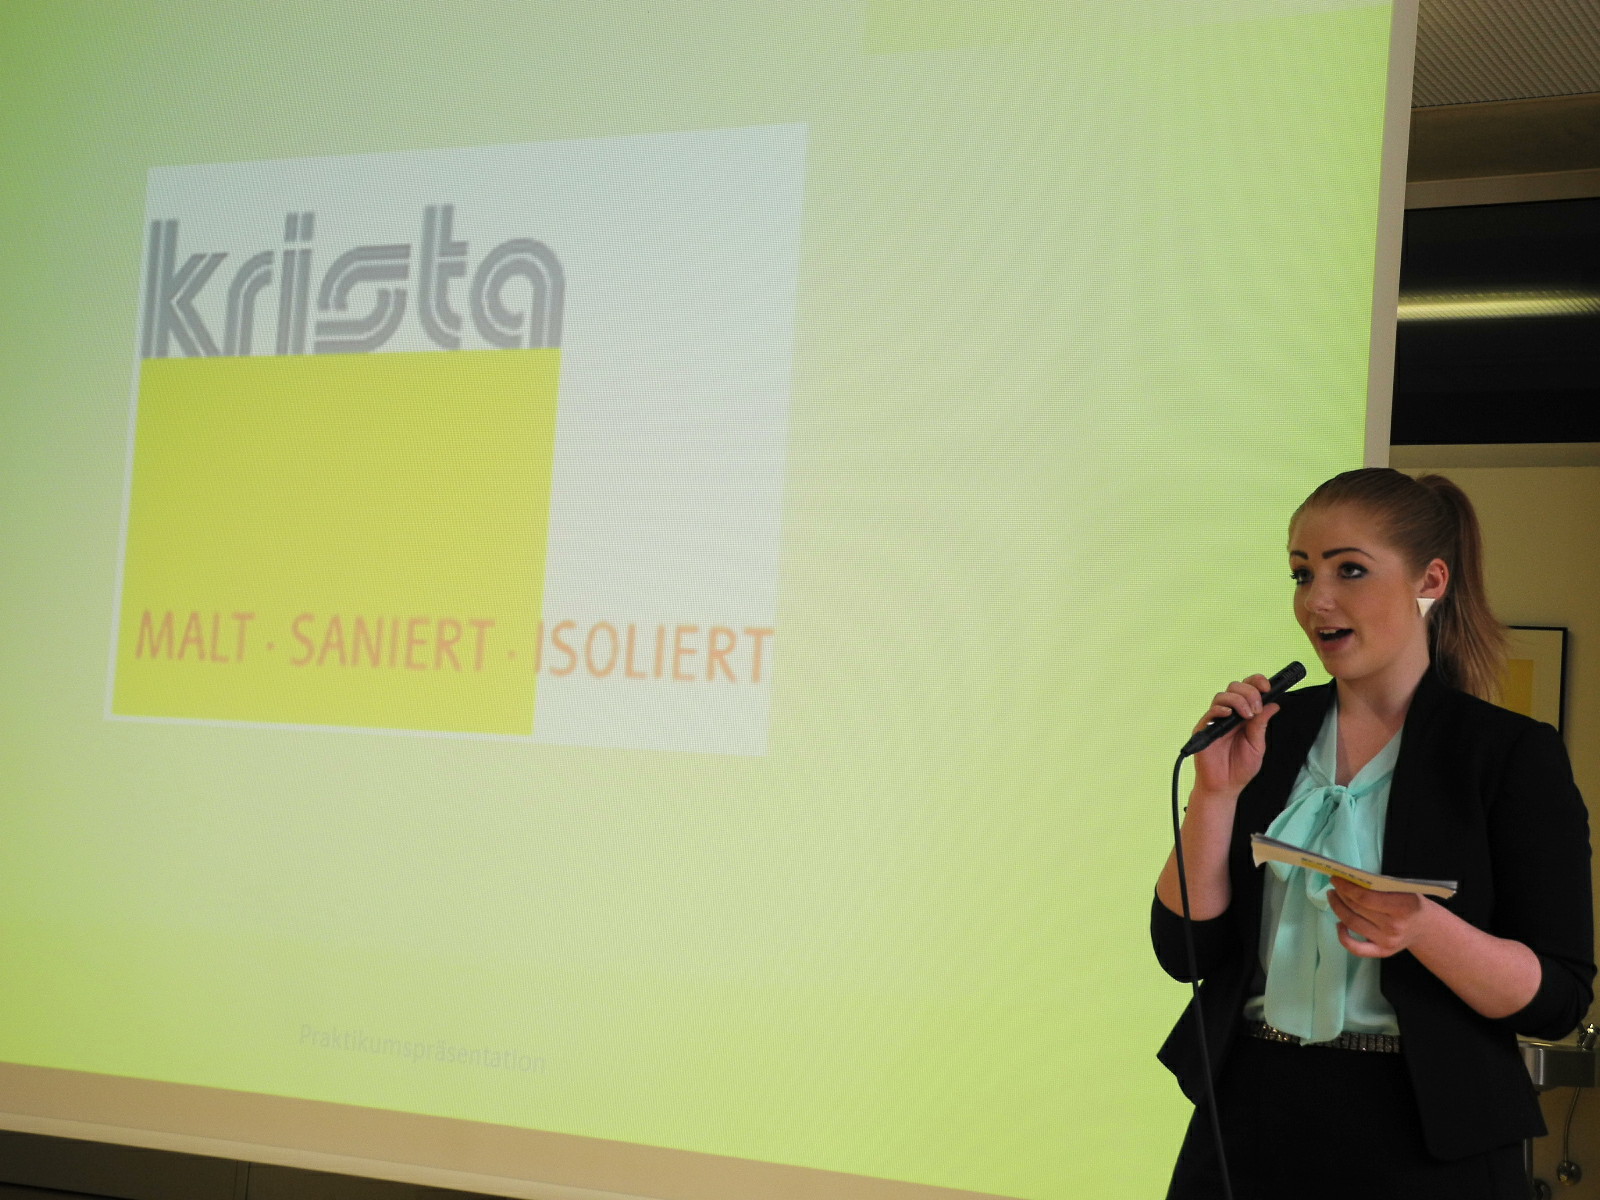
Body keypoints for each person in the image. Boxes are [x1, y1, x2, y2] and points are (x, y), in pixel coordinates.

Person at [1152, 467, 1594, 1199]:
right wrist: (1215, 794)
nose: (1316, 600)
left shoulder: (1509, 754)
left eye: (1349, 570)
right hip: (1247, 1116)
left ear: (1430, 582)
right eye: (1302, 573)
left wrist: (1423, 928)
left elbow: (1559, 1000)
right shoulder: (1268, 733)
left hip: (1427, 1135)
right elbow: (1184, 952)